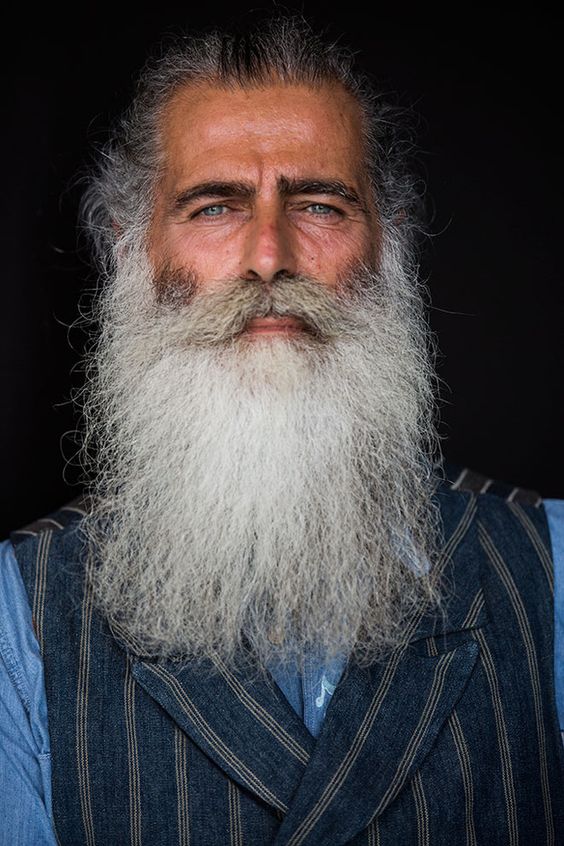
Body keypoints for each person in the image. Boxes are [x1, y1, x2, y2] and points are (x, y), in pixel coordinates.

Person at [1, 15, 563, 845]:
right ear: (132, 250)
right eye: (216, 206)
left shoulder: (550, 568)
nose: (270, 255)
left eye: (321, 204)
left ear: (390, 244)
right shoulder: (19, 616)